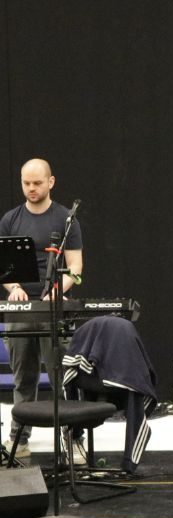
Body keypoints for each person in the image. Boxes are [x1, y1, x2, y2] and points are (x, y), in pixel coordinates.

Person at [2, 158, 84, 463]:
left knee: (61, 375)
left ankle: (72, 439)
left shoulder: (66, 220)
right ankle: (18, 440)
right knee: (24, 377)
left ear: (50, 182)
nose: (31, 188)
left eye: (37, 183)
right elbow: (4, 268)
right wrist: (14, 288)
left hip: (53, 309)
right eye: (26, 183)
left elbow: (76, 268)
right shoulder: (10, 219)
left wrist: (56, 289)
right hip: (20, 309)